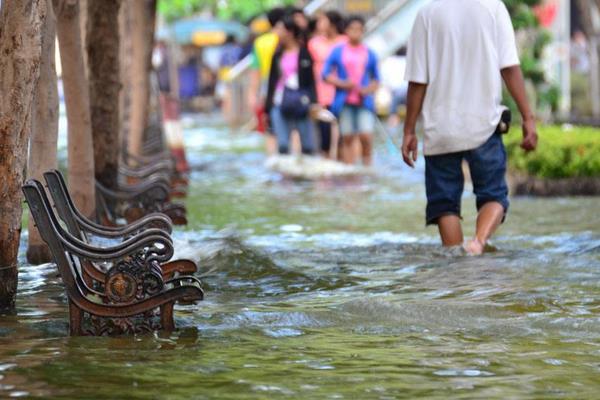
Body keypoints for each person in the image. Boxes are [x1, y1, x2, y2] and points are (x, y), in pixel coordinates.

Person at [402, 0, 538, 255]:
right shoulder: (493, 7)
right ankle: (477, 243)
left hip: (440, 128)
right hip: (483, 126)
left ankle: (456, 266)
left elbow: (417, 80)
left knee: (444, 206)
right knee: (494, 196)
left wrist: (409, 130)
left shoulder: (426, 13)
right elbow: (509, 67)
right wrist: (528, 118)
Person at [323, 15, 380, 166]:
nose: (355, 33)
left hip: (363, 102)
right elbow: (325, 74)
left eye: (359, 30)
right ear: (346, 31)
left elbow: (376, 79)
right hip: (344, 101)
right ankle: (350, 167)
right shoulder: (337, 51)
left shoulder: (370, 53)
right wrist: (342, 83)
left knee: (366, 136)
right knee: (347, 136)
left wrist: (367, 90)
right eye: (352, 29)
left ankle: (367, 166)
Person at [265, 15, 317, 155]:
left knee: (307, 146)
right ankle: (285, 175)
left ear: (289, 32)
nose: (277, 32)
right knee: (282, 146)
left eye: (280, 29)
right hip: (279, 101)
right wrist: (267, 106)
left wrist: (313, 101)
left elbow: (311, 79)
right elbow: (272, 81)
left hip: (301, 102)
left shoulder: (304, 53)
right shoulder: (277, 55)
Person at [308, 11, 346, 158]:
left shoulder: (345, 41)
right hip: (321, 93)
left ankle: (343, 163)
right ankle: (326, 161)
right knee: (324, 133)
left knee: (344, 134)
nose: (319, 24)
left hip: (342, 93)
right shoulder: (314, 43)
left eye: (322, 21)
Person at [248, 7, 286, 154]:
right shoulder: (288, 39)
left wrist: (253, 95)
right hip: (287, 89)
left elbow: (255, 72)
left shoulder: (260, 42)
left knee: (270, 130)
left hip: (266, 90)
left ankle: (272, 160)